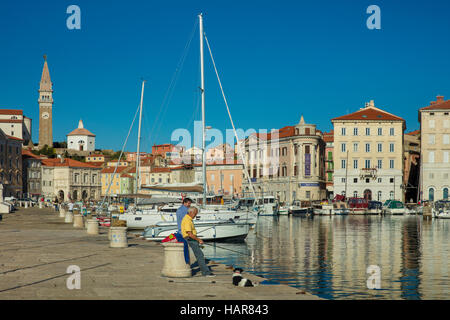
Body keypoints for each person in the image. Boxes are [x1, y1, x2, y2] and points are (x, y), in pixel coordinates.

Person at [181, 207, 215, 277]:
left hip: (191, 238)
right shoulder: (187, 220)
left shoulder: (188, 219)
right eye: (195, 213)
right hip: (190, 239)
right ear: (190, 213)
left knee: (200, 255)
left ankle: (205, 271)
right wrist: (199, 240)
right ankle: (206, 273)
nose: (195, 215)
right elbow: (190, 234)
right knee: (200, 255)